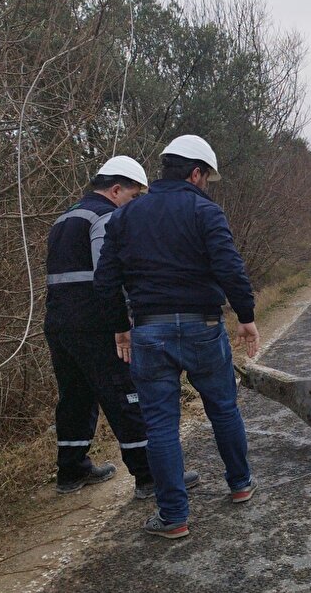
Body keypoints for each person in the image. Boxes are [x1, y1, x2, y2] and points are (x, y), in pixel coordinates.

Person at [95, 135, 260, 540]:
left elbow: (106, 283)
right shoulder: (206, 212)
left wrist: (121, 327)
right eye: (206, 178)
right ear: (196, 173)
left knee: (161, 425)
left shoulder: (125, 217)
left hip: (149, 331)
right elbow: (229, 267)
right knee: (223, 408)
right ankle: (240, 485)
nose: (205, 185)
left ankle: (174, 518)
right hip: (203, 326)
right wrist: (246, 316)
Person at [44, 156, 199, 498]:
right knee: (126, 394)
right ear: (116, 190)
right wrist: (123, 321)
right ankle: (150, 476)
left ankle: (71, 470)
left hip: (58, 323)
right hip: (96, 323)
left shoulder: (65, 217)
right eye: (132, 197)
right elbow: (109, 276)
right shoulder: (105, 217)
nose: (134, 206)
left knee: (75, 395)